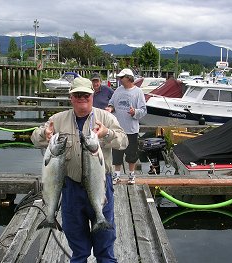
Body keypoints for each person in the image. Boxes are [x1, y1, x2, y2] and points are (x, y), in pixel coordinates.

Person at [31, 77, 128, 263]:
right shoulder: (57, 120)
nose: (82, 97)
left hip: (100, 185)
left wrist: (107, 133)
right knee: (77, 244)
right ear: (71, 97)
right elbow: (35, 139)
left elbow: (124, 142)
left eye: (86, 94)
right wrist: (44, 134)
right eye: (77, 95)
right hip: (71, 189)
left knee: (105, 244)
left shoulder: (106, 117)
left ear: (92, 95)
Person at [105, 68, 147, 185]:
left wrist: (135, 112)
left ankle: (131, 175)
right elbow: (112, 103)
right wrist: (110, 108)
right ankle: (116, 175)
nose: (119, 79)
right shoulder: (118, 90)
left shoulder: (138, 92)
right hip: (117, 129)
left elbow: (143, 110)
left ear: (129, 78)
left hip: (131, 130)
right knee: (116, 153)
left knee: (131, 154)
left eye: (121, 77)